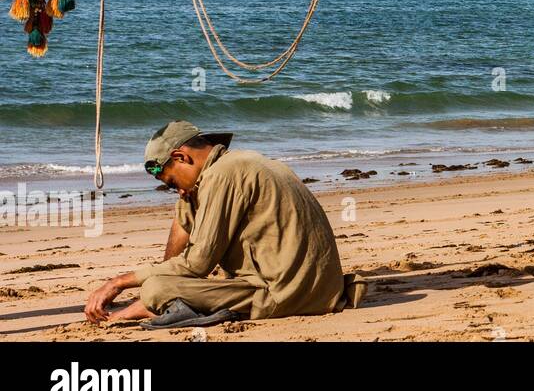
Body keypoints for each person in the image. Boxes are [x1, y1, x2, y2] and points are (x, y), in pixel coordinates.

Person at [83, 120, 362, 328]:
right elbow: (186, 222)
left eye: (171, 182)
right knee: (184, 213)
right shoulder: (241, 162)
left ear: (181, 157)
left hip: (286, 294)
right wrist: (168, 276)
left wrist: (119, 282)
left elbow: (197, 264)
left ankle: (162, 303)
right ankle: (170, 300)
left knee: (155, 288)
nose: (177, 191)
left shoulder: (221, 177)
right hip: (322, 288)